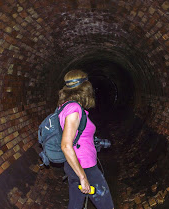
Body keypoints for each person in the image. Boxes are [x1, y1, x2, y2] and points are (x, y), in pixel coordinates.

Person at [57, 69, 114, 209]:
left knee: (75, 205)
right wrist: (83, 177)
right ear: (85, 88)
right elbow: (65, 145)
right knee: (106, 205)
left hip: (75, 166)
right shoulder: (74, 110)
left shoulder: (66, 106)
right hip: (85, 167)